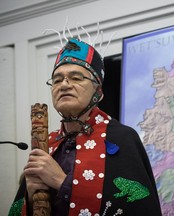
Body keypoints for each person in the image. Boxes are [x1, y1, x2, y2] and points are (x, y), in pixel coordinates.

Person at [9, 27, 162, 216]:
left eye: (76, 77)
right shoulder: (47, 145)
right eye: (57, 80)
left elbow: (139, 210)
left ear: (98, 92)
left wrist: (61, 182)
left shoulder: (121, 138)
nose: (64, 85)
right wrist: (30, 199)